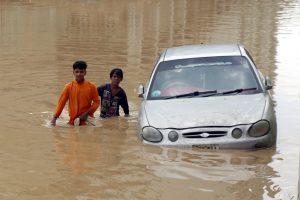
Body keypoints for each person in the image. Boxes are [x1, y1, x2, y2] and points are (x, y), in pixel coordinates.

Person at [51, 60, 100, 126]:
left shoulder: (91, 86)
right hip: (73, 120)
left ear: (85, 72)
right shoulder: (68, 86)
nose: (79, 74)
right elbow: (61, 103)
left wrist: (86, 113)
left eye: (81, 72)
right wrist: (54, 118)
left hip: (87, 119)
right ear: (73, 72)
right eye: (77, 72)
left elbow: (97, 102)